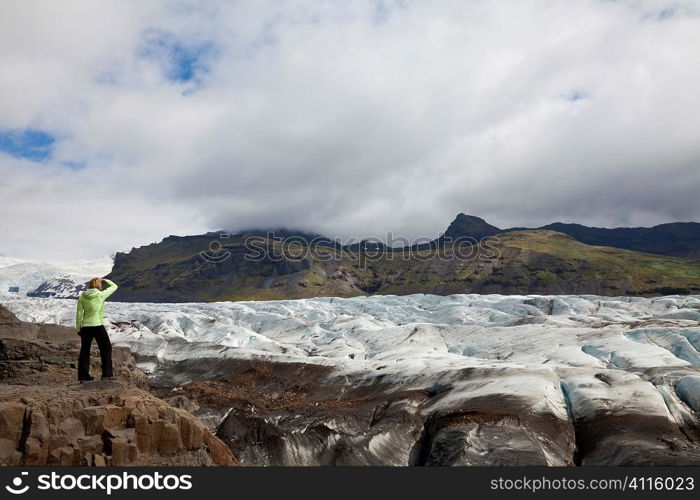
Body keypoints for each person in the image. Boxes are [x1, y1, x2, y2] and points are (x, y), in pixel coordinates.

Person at [75, 277, 118, 383]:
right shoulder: (100, 294)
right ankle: (107, 374)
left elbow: (79, 314)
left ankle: (83, 377)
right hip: (98, 326)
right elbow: (114, 286)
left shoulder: (82, 296)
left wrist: (78, 328)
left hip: (85, 327)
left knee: (85, 351)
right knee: (106, 348)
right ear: (98, 285)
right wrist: (106, 280)